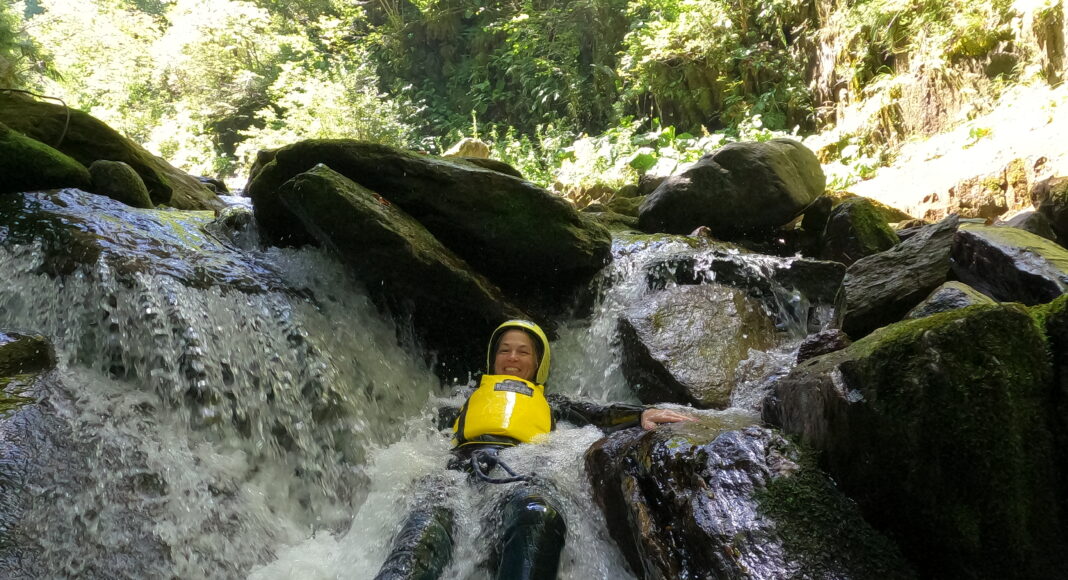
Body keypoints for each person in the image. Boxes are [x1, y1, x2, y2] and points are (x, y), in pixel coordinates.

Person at [374, 319, 693, 580]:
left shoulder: (554, 404)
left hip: (519, 472)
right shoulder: (461, 400)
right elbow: (427, 438)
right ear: (493, 358)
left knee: (537, 513)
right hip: (458, 473)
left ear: (537, 362)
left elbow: (599, 413)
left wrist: (640, 414)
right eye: (505, 350)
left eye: (523, 352)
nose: (512, 358)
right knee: (422, 532)